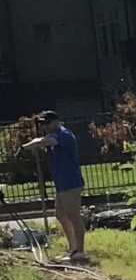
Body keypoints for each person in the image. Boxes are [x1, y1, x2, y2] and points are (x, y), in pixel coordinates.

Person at [28, 110, 86, 262]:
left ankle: (80, 251)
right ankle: (72, 248)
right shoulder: (51, 136)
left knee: (73, 214)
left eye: (47, 123)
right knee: (60, 214)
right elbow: (44, 141)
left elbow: (44, 142)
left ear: (56, 121)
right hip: (61, 183)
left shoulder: (64, 135)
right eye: (42, 124)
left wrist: (27, 146)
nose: (44, 126)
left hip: (71, 182)